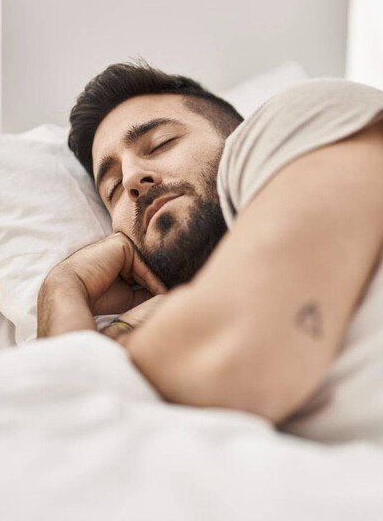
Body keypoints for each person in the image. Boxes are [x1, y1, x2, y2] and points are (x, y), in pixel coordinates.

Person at [38, 62, 383, 440]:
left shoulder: (292, 118)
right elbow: (71, 423)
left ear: (235, 133)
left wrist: (119, 336)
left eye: (160, 144)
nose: (134, 178)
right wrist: (62, 288)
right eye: (114, 189)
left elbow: (240, 362)